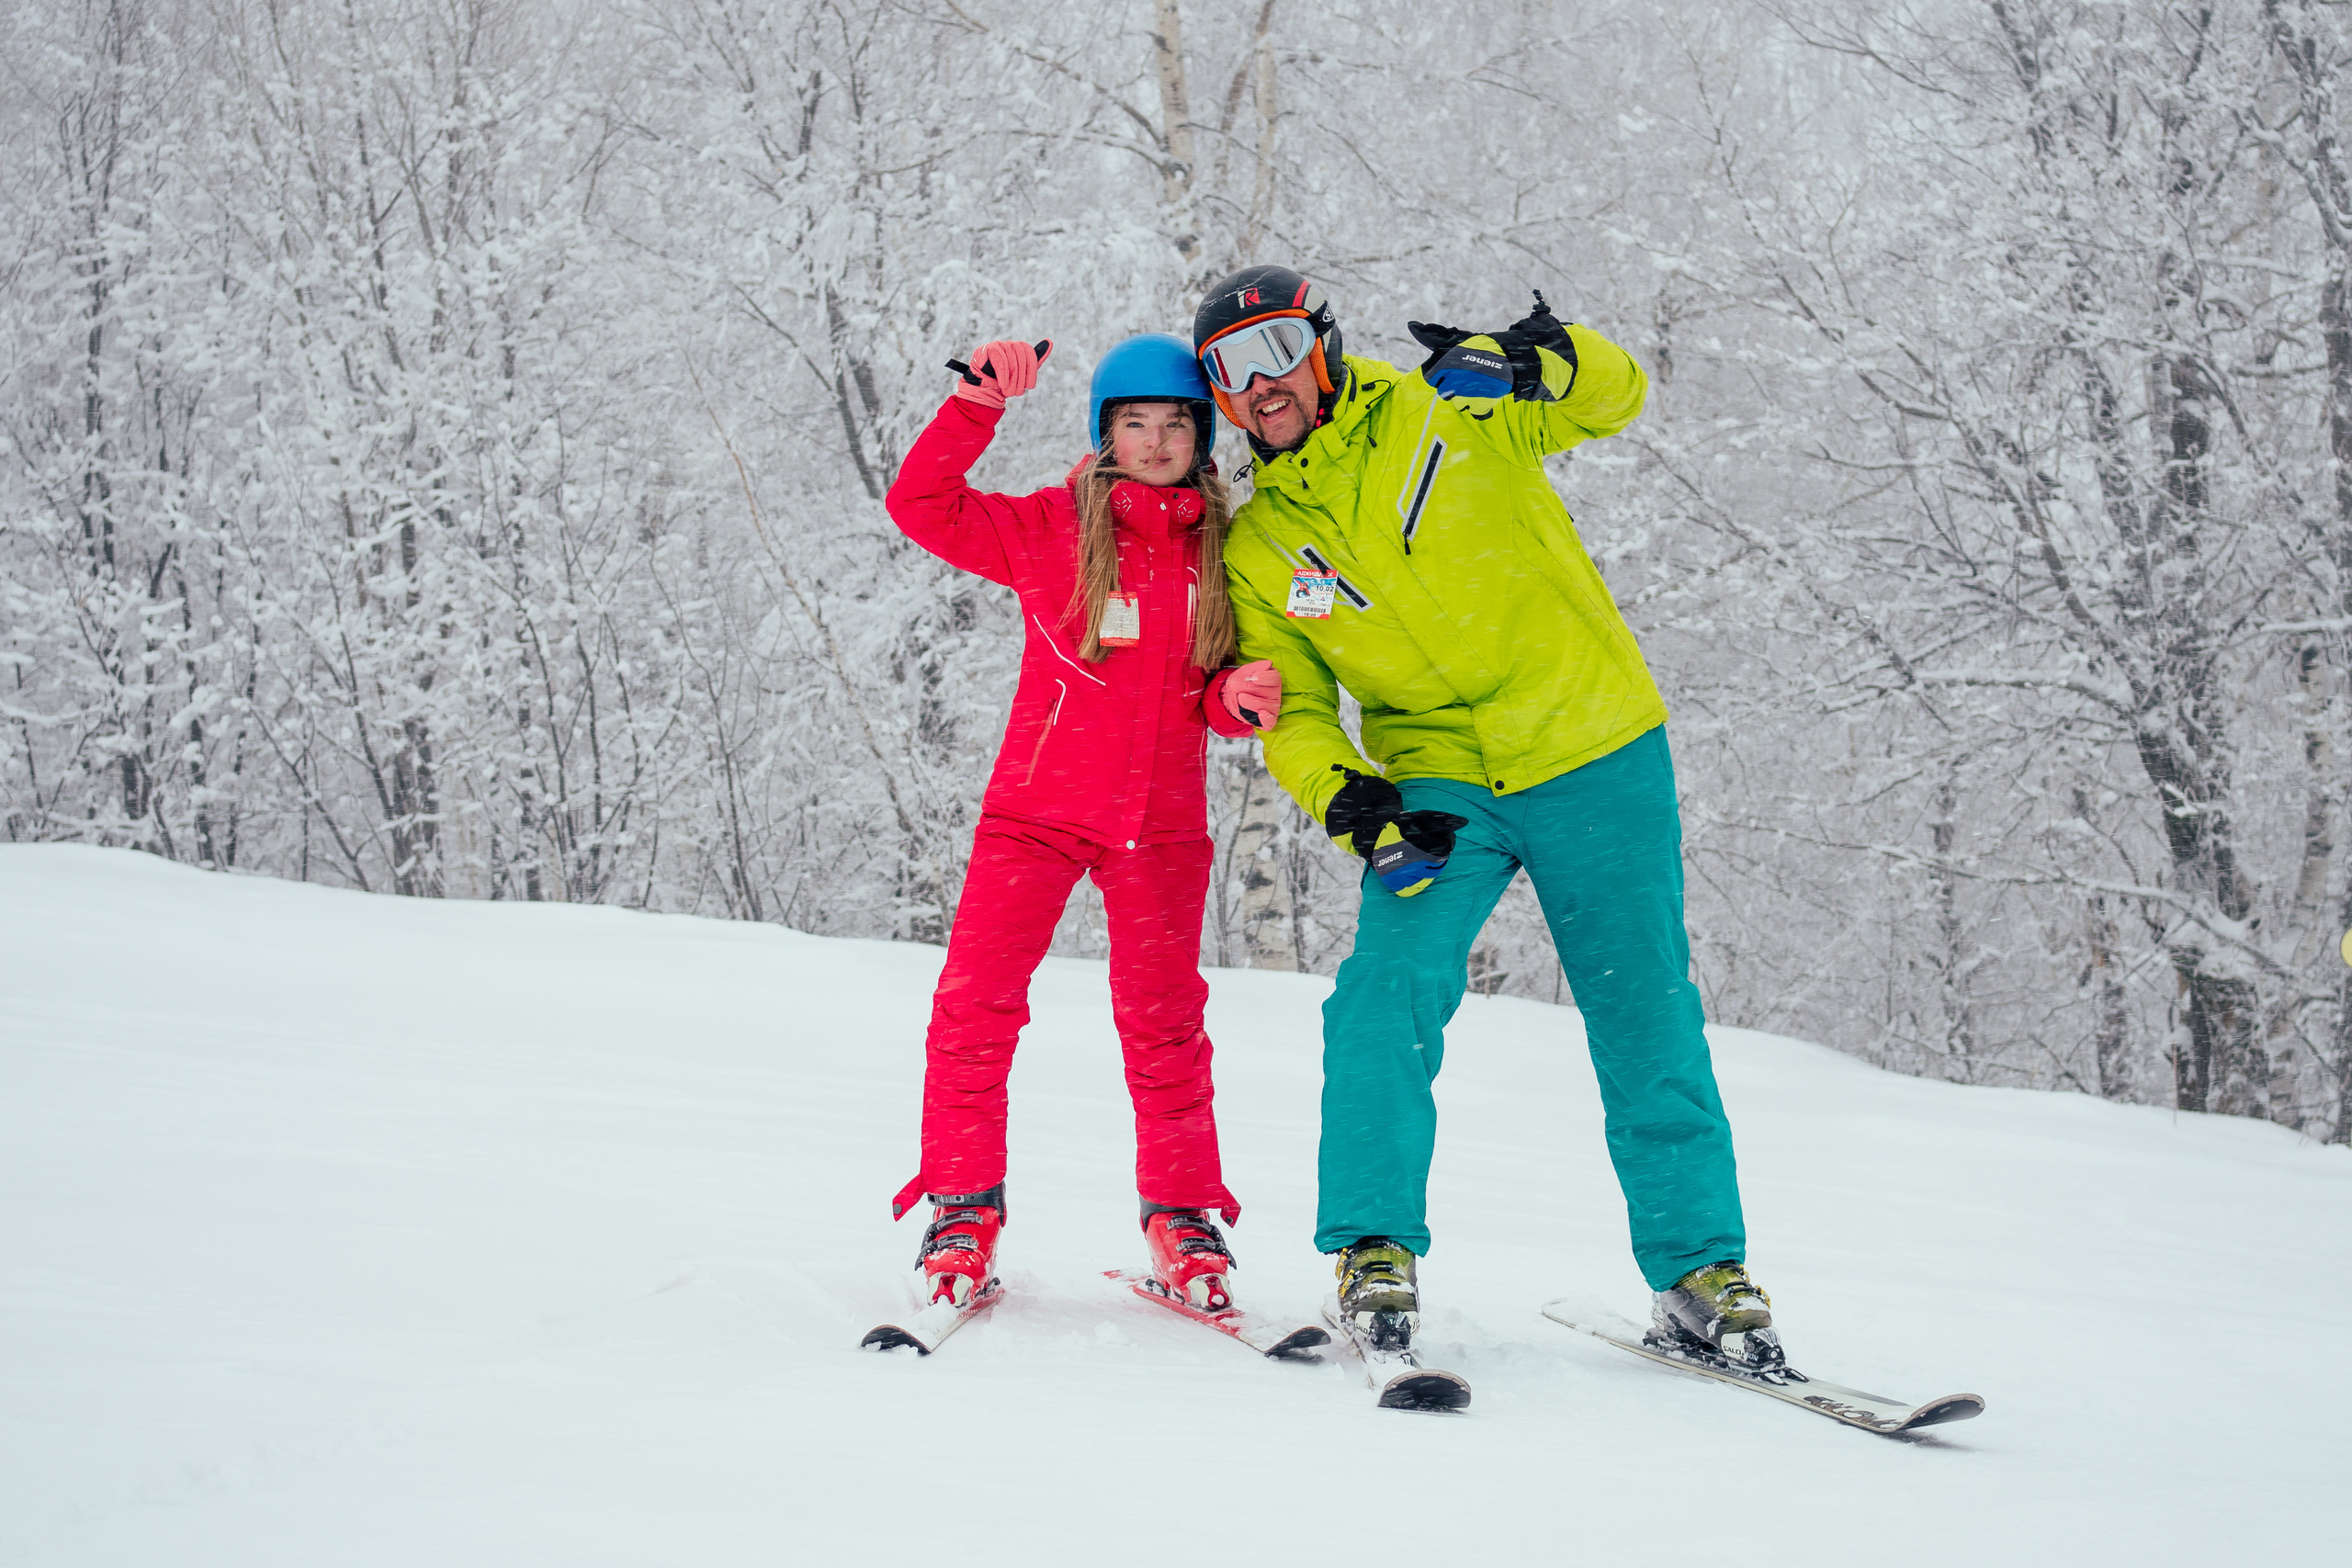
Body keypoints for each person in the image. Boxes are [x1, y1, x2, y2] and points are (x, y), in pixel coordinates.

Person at [1193, 265, 1778, 1370]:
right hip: (1439, 784)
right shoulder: (1263, 546)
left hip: (1589, 744)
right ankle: (1372, 1250)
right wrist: (1350, 800)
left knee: (1643, 1011)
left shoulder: (1450, 407)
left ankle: (1700, 1272)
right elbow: (1296, 709)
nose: (1260, 384)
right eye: (1229, 369)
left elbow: (1615, 398)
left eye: (1278, 349)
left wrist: (1546, 358)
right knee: (1383, 994)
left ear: (1323, 347)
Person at [881, 332, 1286, 1316]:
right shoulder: (1051, 527)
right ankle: (962, 1209)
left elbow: (1203, 694)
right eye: (1135, 423)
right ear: (1106, 433)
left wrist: (1233, 702)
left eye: (1177, 423)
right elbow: (921, 505)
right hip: (1037, 811)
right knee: (976, 1006)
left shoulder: (1226, 547)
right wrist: (977, 406)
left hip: (1162, 824)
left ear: (1203, 435)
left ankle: (1183, 1217)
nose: (1157, 441)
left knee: (1166, 1023)